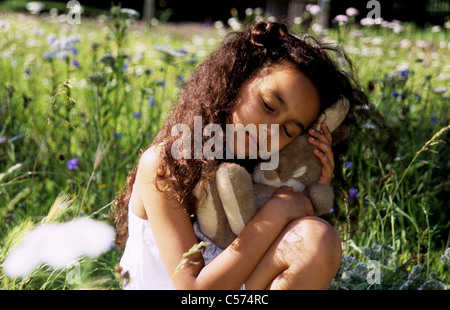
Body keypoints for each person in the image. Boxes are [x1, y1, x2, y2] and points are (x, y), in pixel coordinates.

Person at [113, 21, 388, 290]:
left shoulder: (267, 174)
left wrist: (312, 186)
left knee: (317, 238)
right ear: (239, 78)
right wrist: (276, 213)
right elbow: (194, 290)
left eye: (289, 130)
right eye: (268, 105)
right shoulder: (166, 163)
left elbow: (303, 261)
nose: (270, 131)